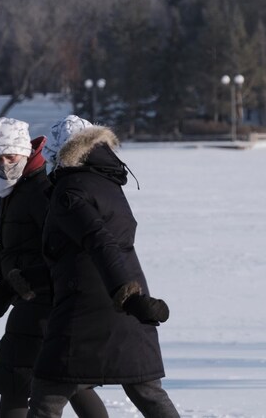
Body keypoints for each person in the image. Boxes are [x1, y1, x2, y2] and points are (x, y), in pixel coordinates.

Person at [0, 117, 108, 418]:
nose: (4, 163)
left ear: (24, 151)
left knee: (18, 378)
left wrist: (12, 285)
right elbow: (12, 244)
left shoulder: (40, 188)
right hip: (34, 300)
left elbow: (59, 249)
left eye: (10, 156)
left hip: (46, 301)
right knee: (66, 379)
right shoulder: (17, 186)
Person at [22, 115, 178, 418]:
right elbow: (71, 253)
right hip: (123, 301)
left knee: (46, 396)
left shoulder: (69, 190)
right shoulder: (106, 181)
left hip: (87, 309)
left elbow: (98, 241)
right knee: (146, 390)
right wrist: (22, 281)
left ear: (60, 153)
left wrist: (128, 296)